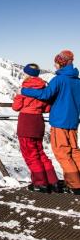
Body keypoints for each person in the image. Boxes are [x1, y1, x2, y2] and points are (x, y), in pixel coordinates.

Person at [21, 50, 80, 194]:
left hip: (60, 121)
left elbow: (45, 94)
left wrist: (25, 91)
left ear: (61, 63)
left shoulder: (59, 79)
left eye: (56, 62)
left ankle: (75, 185)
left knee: (62, 153)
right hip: (73, 121)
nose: (54, 65)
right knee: (74, 152)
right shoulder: (77, 81)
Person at [13, 63, 59, 192]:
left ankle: (40, 183)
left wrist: (18, 96)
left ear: (27, 74)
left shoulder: (24, 88)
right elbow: (47, 108)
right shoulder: (44, 88)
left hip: (26, 122)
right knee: (40, 153)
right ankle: (53, 181)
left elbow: (16, 107)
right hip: (38, 122)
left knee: (30, 154)